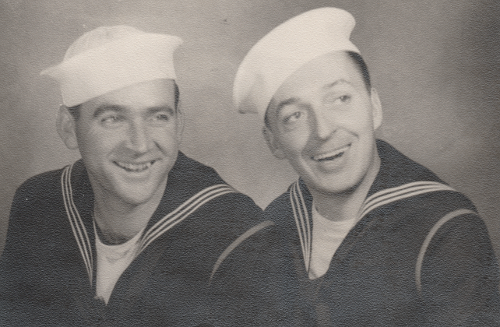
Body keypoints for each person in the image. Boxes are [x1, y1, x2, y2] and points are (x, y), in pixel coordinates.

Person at [0, 25, 282, 327]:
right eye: (113, 118)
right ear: (69, 128)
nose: (140, 144)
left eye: (158, 117)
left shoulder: (240, 236)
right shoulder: (40, 203)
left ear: (178, 124)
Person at [233, 7, 500, 326]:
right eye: (295, 116)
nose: (323, 131)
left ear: (373, 107)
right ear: (274, 141)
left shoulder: (445, 230)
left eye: (340, 99)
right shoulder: (271, 231)